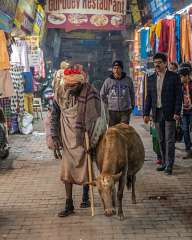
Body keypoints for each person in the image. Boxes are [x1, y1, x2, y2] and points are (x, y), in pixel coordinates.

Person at [51, 65, 106, 217]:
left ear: (80, 83)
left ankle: (85, 197)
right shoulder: (60, 93)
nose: (71, 88)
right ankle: (69, 204)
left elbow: (96, 117)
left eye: (74, 86)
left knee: (86, 167)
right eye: (69, 85)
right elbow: (54, 115)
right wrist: (55, 137)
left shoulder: (90, 92)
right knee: (67, 171)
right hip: (67, 138)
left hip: (84, 138)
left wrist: (94, 139)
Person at [143, 52, 182, 175]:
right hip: (157, 112)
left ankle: (169, 165)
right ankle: (164, 162)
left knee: (169, 140)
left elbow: (178, 96)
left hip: (170, 112)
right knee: (160, 139)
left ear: (165, 63)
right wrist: (146, 113)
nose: (157, 65)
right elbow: (148, 97)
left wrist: (177, 111)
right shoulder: (150, 78)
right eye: (155, 63)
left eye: (159, 63)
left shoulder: (174, 77)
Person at [100, 60, 135, 126]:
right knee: (113, 132)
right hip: (112, 111)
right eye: (114, 68)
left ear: (121, 69)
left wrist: (132, 104)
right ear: (112, 70)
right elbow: (102, 94)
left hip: (125, 111)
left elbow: (132, 93)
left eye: (118, 68)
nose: (116, 70)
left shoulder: (128, 80)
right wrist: (108, 102)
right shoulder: (108, 81)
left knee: (124, 131)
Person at [178, 67, 192, 159]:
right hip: (184, 111)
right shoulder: (179, 86)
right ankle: (188, 150)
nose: (180, 79)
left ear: (187, 76)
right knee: (185, 130)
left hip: (191, 110)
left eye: (181, 77)